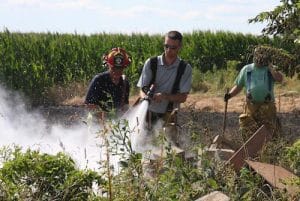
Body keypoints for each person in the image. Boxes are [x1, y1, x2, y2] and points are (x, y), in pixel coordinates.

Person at [137, 30, 192, 148]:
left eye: (173, 47)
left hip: (169, 115)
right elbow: (142, 88)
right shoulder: (151, 63)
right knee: (143, 145)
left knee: (168, 148)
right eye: (166, 46)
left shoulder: (184, 68)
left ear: (179, 47)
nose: (168, 50)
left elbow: (183, 97)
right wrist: (146, 98)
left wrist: (164, 96)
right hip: (148, 114)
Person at [224, 45, 283, 141]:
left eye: (262, 56)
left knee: (269, 133)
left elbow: (280, 79)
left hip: (267, 107)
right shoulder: (247, 69)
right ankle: (250, 153)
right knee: (248, 130)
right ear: (254, 56)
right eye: (257, 55)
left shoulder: (271, 69)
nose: (259, 58)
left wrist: (270, 67)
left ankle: (268, 152)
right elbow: (239, 86)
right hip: (250, 107)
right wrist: (229, 95)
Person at [85, 47, 131, 121]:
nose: (117, 71)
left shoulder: (125, 82)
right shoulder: (99, 80)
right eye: (114, 68)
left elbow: (125, 105)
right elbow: (89, 105)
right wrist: (106, 117)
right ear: (109, 66)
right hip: (97, 124)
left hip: (116, 124)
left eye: (120, 69)